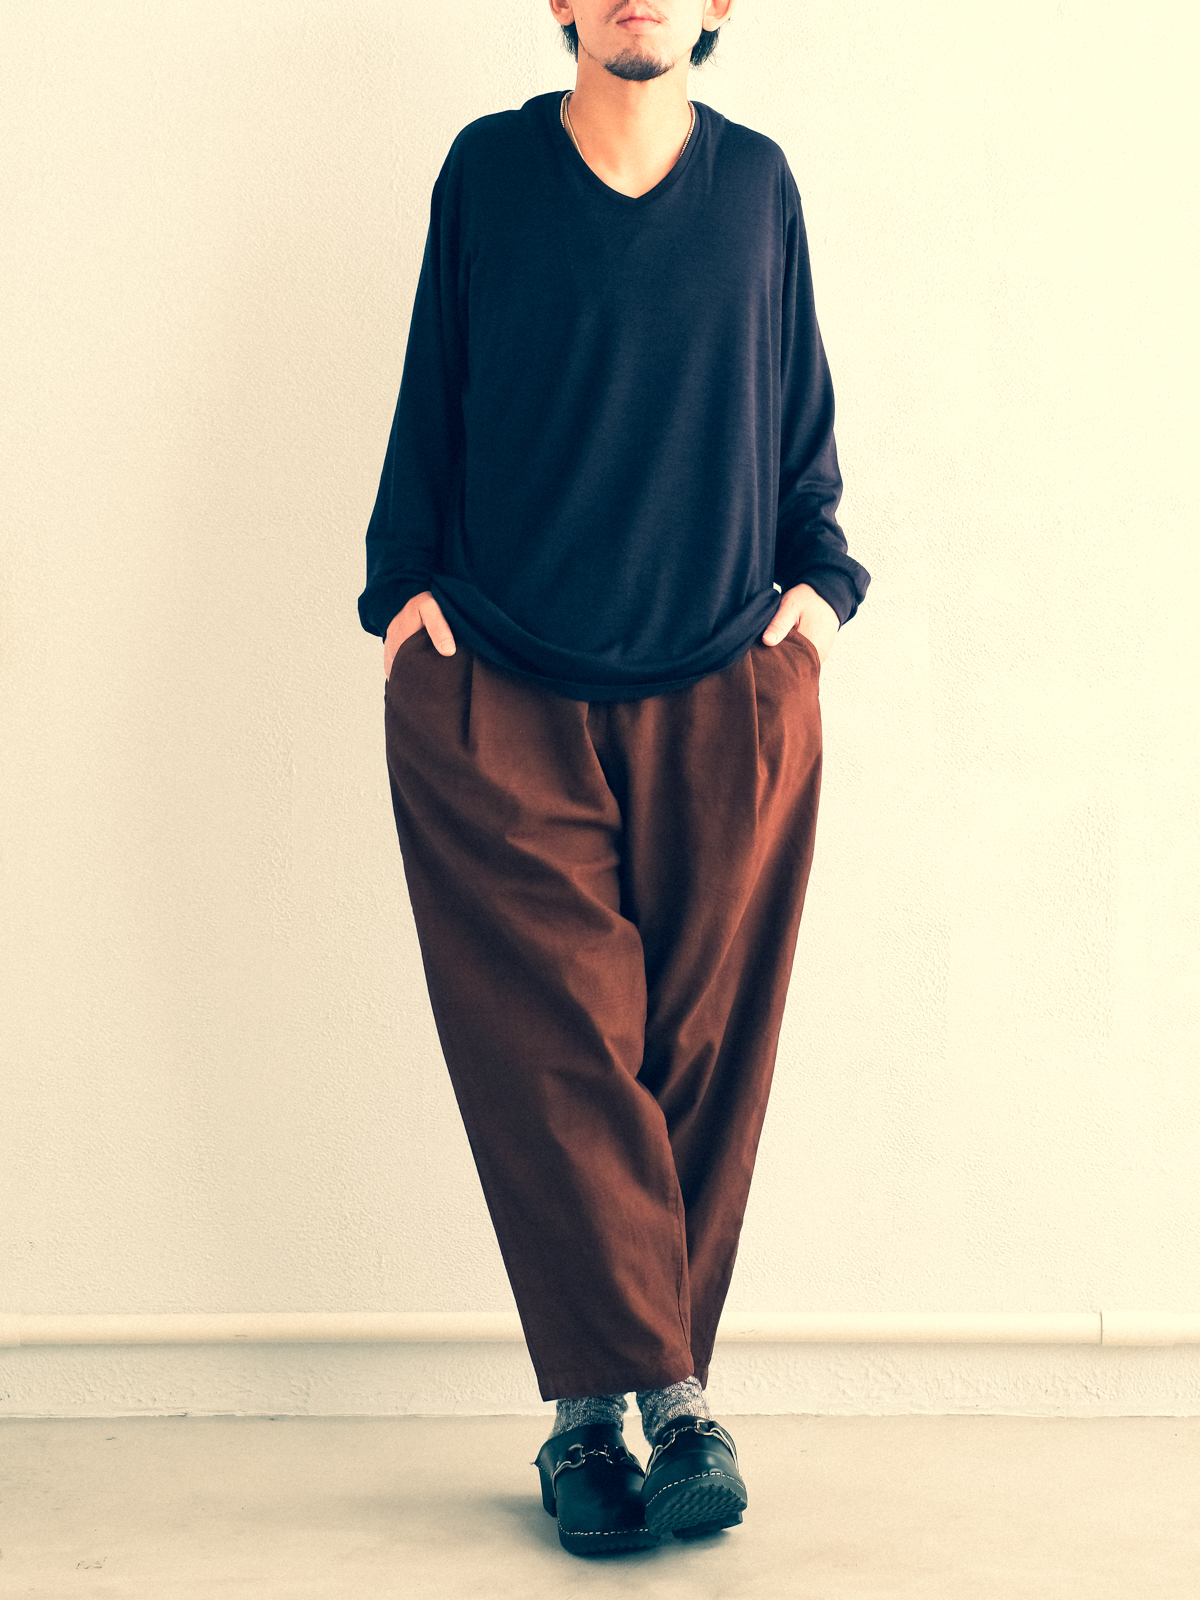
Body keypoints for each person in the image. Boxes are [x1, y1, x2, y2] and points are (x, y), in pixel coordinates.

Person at [357, 0, 870, 1558]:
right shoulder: (489, 174)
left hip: (725, 680)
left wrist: (820, 587)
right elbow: (432, 392)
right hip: (505, 681)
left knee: (700, 1050)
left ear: (718, 6)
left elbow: (800, 418)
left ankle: (595, 1426)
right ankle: (664, 1406)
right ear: (563, 5)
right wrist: (402, 588)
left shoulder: (756, 186)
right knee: (560, 1057)